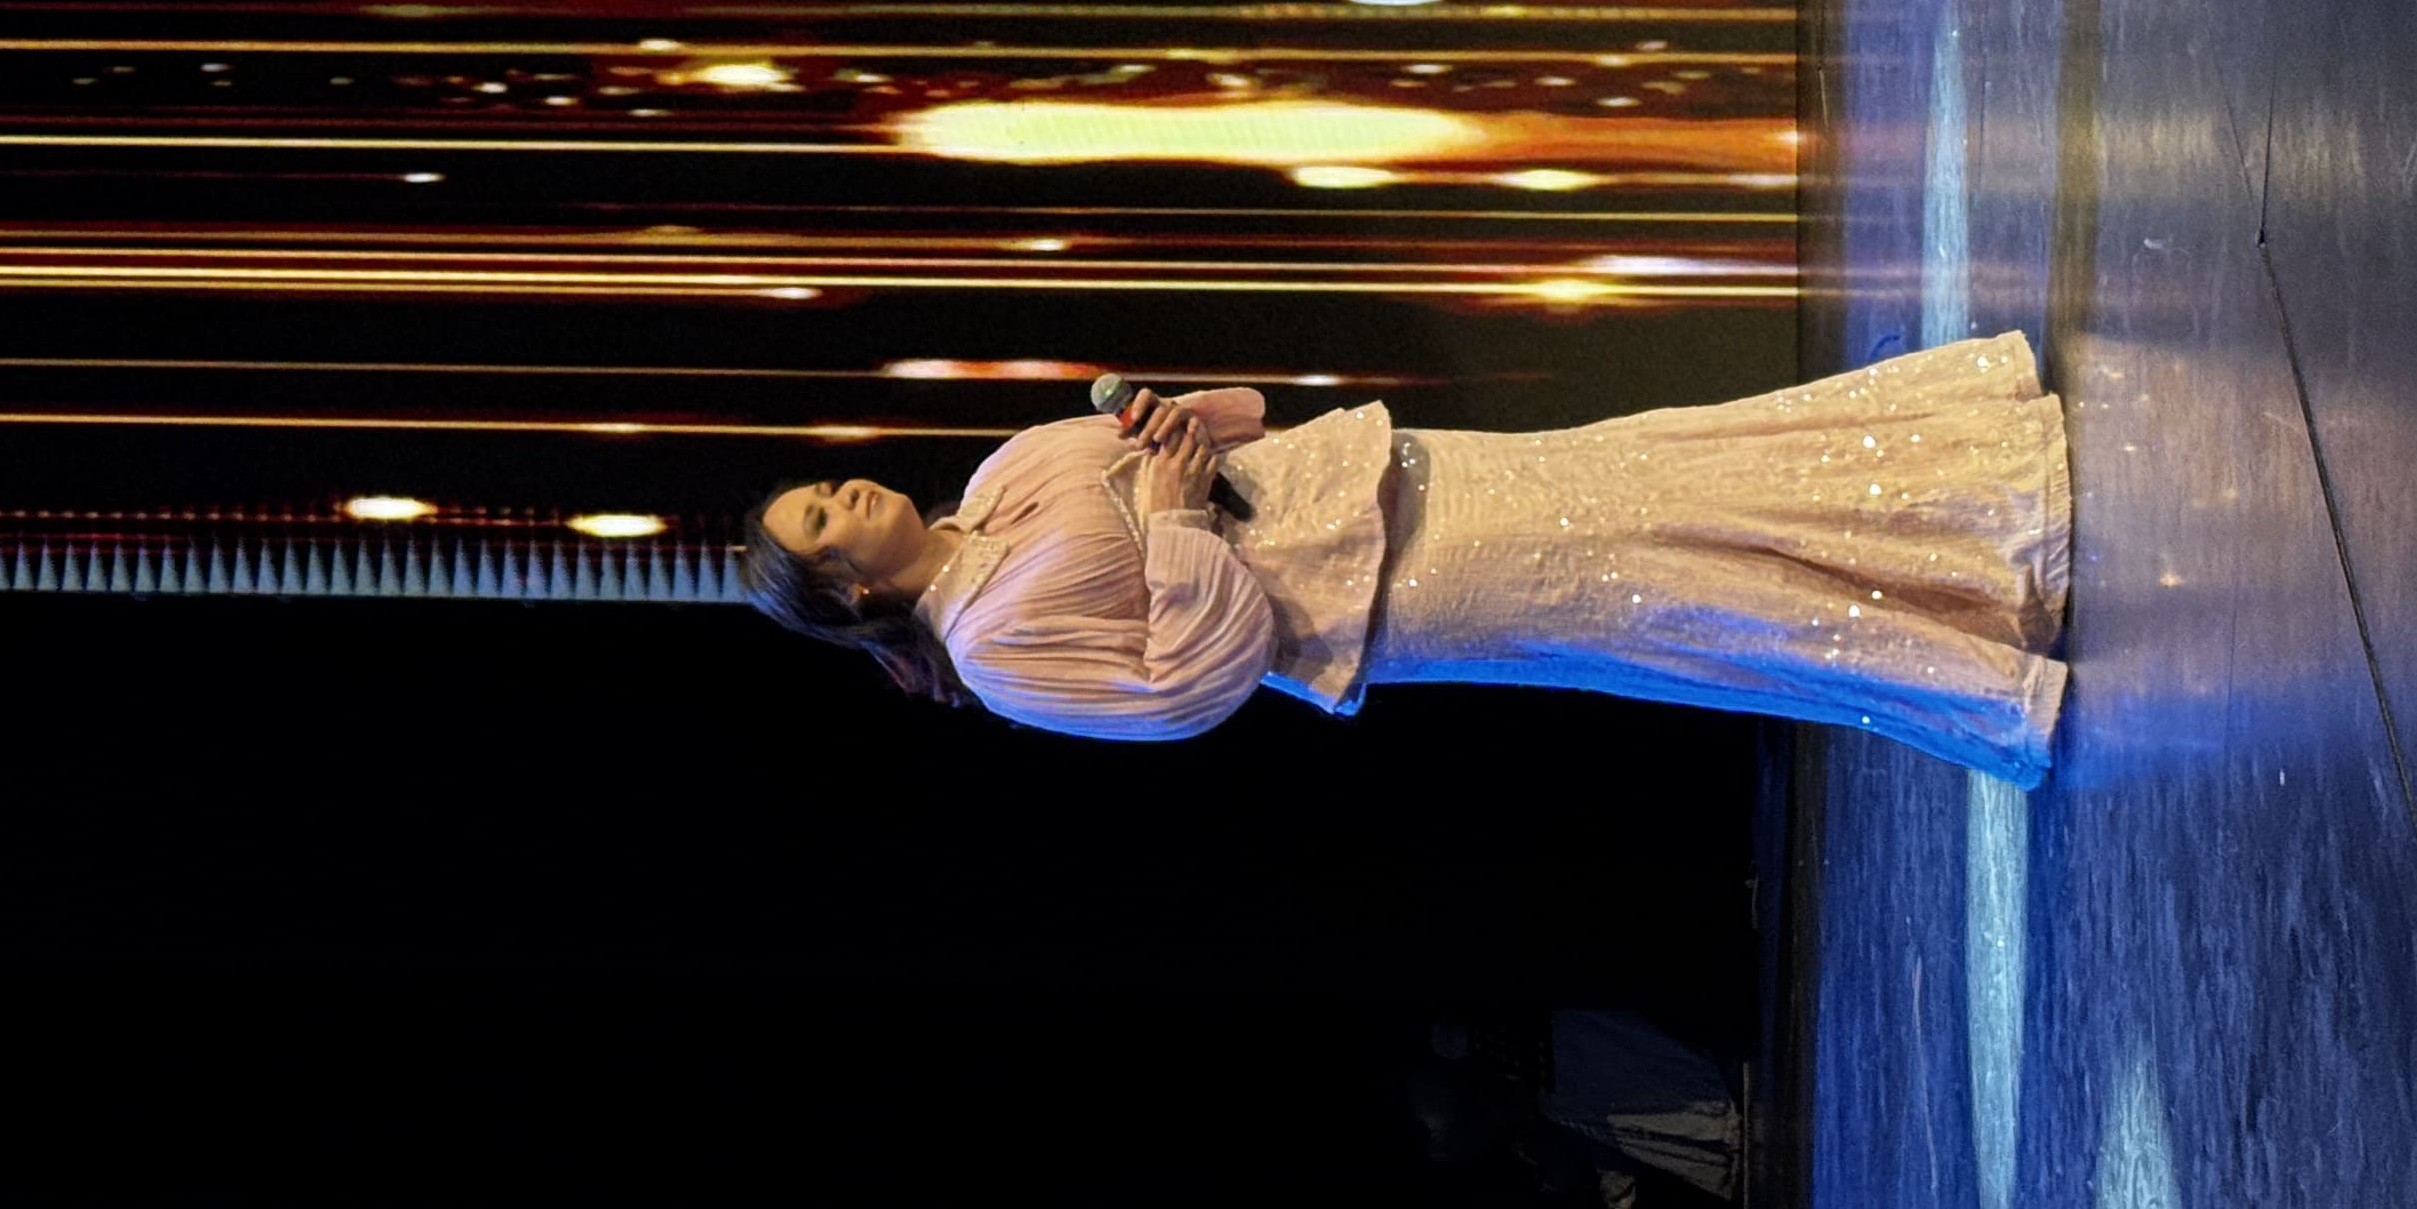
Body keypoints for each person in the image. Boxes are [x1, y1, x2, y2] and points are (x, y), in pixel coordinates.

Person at [740, 337, 2071, 787]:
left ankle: (1978, 515)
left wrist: (1177, 426)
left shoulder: (1002, 477)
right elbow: (1174, 692)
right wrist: (1181, 524)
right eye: (822, 520)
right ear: (850, 593)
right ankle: (1977, 639)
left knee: (1661, 473)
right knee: (1673, 594)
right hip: (1386, 593)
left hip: (1383, 474)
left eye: (823, 487)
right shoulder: (994, 650)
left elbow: (1235, 422)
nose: (843, 494)